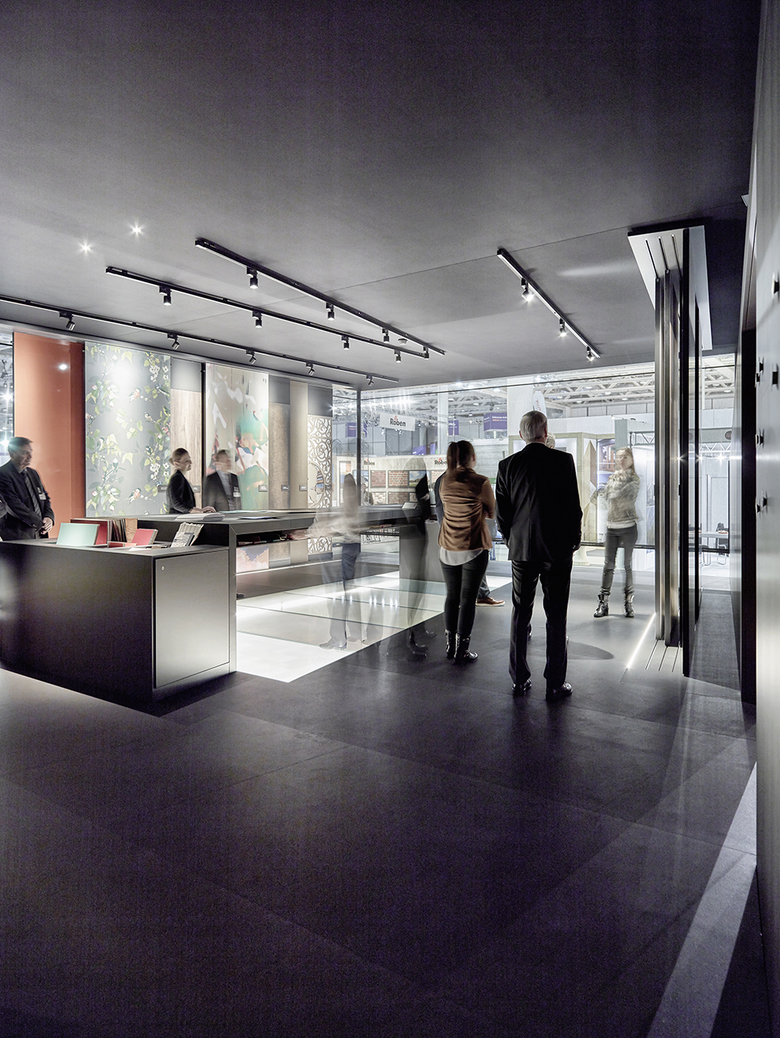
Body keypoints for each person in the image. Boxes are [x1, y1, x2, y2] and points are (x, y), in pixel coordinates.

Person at [495, 411, 582, 702]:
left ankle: (519, 679)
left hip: (522, 549)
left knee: (520, 613)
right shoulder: (563, 461)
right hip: (556, 549)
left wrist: (512, 540)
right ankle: (555, 683)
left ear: (522, 435)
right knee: (556, 615)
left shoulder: (507, 465)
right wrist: (573, 541)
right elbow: (573, 507)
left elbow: (502, 514)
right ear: (545, 432)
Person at [437, 440, 495, 663]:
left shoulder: (444, 481)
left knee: (451, 596)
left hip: (447, 546)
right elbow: (491, 511)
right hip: (473, 547)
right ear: (473, 458)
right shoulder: (480, 481)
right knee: (468, 600)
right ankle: (462, 649)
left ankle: (449, 646)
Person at [433, 473, 504, 606]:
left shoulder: (456, 479)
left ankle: (481, 595)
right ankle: (475, 597)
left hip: (464, 531)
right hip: (456, 532)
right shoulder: (445, 480)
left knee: (473, 562)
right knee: (466, 564)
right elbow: (440, 508)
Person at [593, 447, 640, 618]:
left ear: (631, 459)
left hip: (628, 527)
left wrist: (612, 489)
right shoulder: (613, 478)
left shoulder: (634, 479)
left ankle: (628, 603)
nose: (620, 460)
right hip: (612, 526)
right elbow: (605, 497)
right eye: (618, 457)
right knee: (608, 565)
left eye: (624, 457)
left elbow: (621, 496)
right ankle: (603, 602)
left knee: (627, 565)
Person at [0, 436, 55, 540]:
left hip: (40, 532)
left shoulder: (33, 473)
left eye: (30, 452)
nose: (30, 456)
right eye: (24, 453)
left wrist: (49, 517)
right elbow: (13, 504)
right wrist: (39, 523)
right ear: (12, 454)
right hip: (17, 533)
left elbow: (44, 498)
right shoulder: (3, 474)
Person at [166, 448, 216, 515]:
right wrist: (199, 511)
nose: (190, 462)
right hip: (179, 518)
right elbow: (176, 503)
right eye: (186, 461)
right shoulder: (177, 478)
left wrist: (200, 510)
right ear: (176, 464)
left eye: (189, 459)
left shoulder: (180, 477)